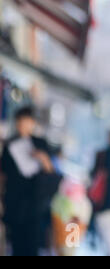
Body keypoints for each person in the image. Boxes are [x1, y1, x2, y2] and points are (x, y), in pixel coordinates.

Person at [0, 106, 60, 256]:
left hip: (34, 202)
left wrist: (43, 158)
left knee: (32, 244)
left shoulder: (40, 143)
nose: (22, 124)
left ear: (32, 123)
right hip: (14, 201)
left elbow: (51, 172)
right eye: (19, 121)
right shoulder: (9, 145)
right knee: (16, 244)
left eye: (25, 121)